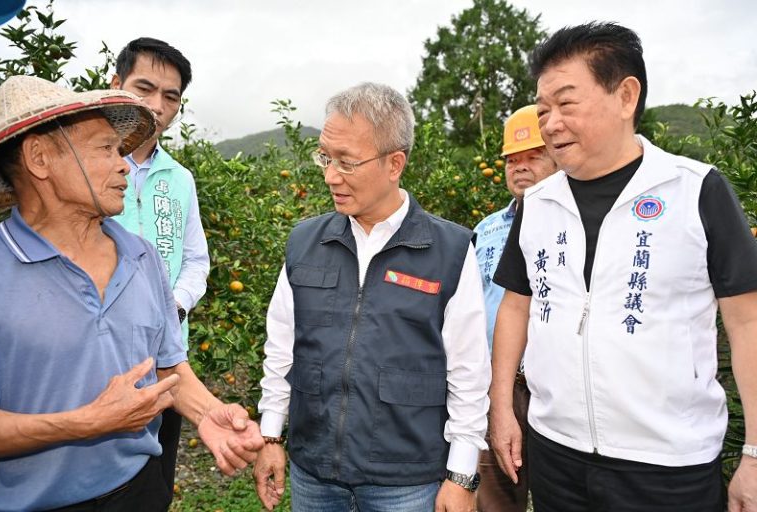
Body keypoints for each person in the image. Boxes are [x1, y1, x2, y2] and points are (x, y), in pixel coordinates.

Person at [489, 22, 757, 512]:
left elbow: (747, 323)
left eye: (566, 103)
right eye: (543, 109)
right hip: (556, 453)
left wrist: (756, 454)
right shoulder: (537, 203)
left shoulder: (694, 190)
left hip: (668, 465)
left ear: (625, 95)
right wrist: (502, 405)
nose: (550, 123)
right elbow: (515, 306)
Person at [0, 75, 262, 511]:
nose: (123, 165)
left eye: (120, 150)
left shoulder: (141, 256)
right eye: (104, 149)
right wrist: (84, 423)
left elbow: (169, 369)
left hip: (139, 492)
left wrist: (210, 414)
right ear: (40, 159)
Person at [253, 82, 490, 512]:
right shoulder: (305, 242)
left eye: (346, 162)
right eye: (325, 157)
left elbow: (469, 374)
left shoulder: (449, 251)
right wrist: (271, 435)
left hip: (407, 481)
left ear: (394, 163)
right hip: (314, 475)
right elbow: (281, 348)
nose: (329, 175)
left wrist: (461, 475)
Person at [109, 37, 210, 494]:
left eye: (171, 96)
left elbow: (195, 260)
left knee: (155, 484)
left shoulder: (180, 178)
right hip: (104, 356)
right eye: (144, 88)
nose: (157, 104)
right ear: (116, 85)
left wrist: (175, 306)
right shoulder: (94, 166)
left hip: (168, 362)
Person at [473, 105, 557, 512]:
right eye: (512, 160)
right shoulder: (485, 229)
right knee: (494, 497)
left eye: (533, 157)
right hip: (497, 384)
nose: (520, 168)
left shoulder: (573, 224)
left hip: (555, 387)